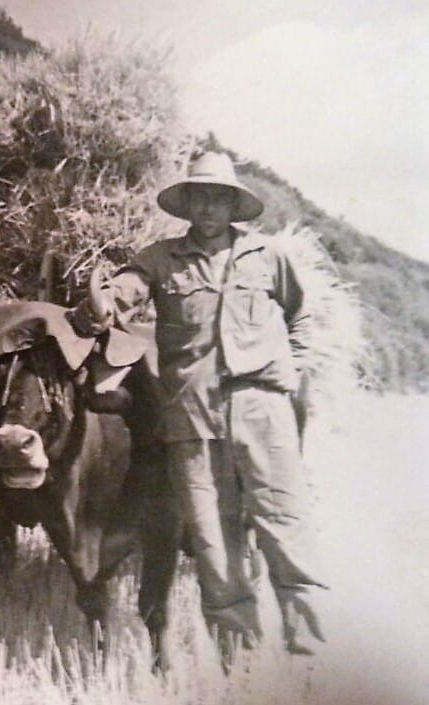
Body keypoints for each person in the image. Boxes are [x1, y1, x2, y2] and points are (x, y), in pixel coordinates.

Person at [71, 151, 327, 669]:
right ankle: (242, 664)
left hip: (262, 411)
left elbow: (301, 318)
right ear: (185, 204)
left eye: (218, 197)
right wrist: (97, 305)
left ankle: (307, 656)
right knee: (213, 544)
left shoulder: (267, 256)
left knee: (285, 528)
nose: (208, 206)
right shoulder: (160, 259)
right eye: (198, 197)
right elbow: (122, 295)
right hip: (191, 419)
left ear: (233, 204)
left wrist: (290, 371)